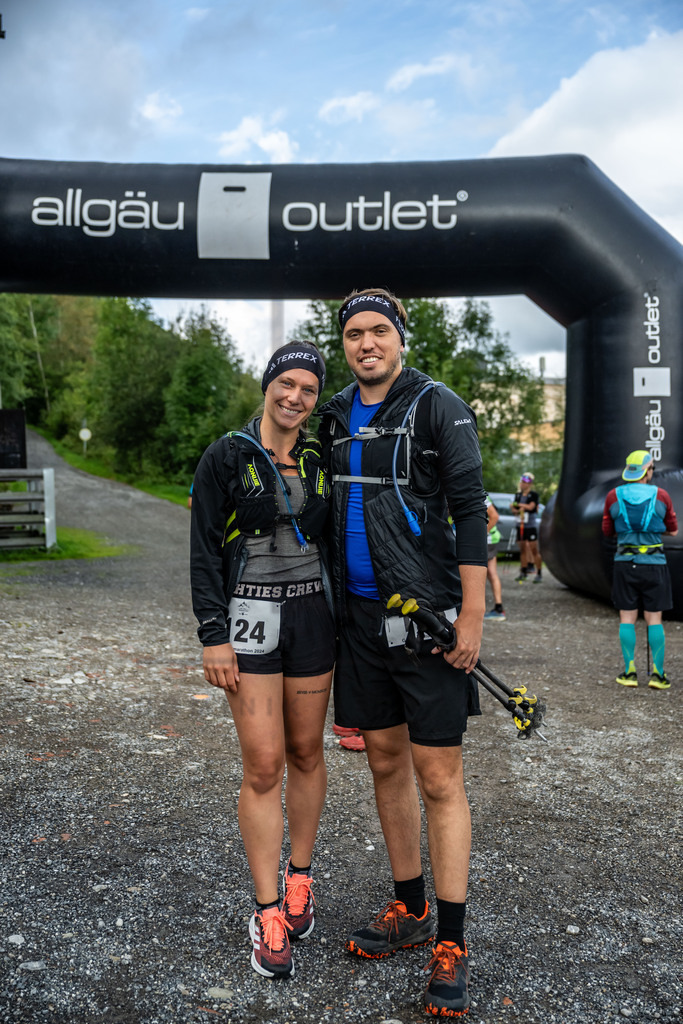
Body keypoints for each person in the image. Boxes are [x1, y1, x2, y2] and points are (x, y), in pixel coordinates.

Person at [318, 288, 488, 1017]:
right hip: (358, 623)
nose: (366, 344)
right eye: (354, 333)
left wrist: (471, 615)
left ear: (399, 337)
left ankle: (451, 940)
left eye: (378, 331)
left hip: (426, 619)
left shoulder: (437, 406)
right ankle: (410, 908)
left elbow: (471, 510)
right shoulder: (332, 414)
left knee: (439, 778)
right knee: (385, 763)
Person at [190, 342, 335, 979]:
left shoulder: (320, 455)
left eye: (308, 389)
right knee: (264, 764)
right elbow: (202, 549)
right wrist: (212, 634)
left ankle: (300, 878)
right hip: (248, 619)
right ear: (268, 383)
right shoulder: (227, 454)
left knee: (306, 752)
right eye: (287, 383)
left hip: (312, 617)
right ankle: (267, 909)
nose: (295, 397)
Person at [602, 449, 678, 689]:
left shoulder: (613, 496)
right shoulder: (661, 495)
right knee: (654, 618)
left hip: (625, 564)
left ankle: (629, 672)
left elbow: (607, 531)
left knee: (627, 617)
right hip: (655, 566)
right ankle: (658, 675)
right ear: (647, 471)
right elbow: (673, 530)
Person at [510, 473, 542, 582]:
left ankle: (539, 573)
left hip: (530, 526)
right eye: (522, 482)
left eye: (526, 483)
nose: (523, 484)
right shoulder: (518, 495)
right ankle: (523, 572)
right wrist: (516, 509)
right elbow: (514, 509)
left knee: (534, 549)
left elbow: (531, 506)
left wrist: (519, 506)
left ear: (530, 484)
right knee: (522, 549)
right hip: (520, 524)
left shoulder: (533, 495)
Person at [483, 497, 506, 620]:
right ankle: (499, 608)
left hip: (487, 541)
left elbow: (494, 516)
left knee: (478, 575)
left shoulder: (477, 492)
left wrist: (480, 535)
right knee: (492, 573)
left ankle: (477, 611)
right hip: (491, 539)